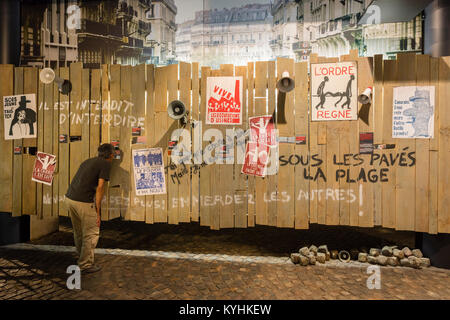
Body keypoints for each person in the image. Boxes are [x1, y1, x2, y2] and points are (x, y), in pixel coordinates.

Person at [65, 143, 114, 274]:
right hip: (83, 201)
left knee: (78, 231)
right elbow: (100, 188)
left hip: (70, 198)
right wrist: (98, 212)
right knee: (92, 233)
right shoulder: (105, 164)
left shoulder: (88, 161)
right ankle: (85, 264)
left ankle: (80, 255)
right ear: (110, 155)